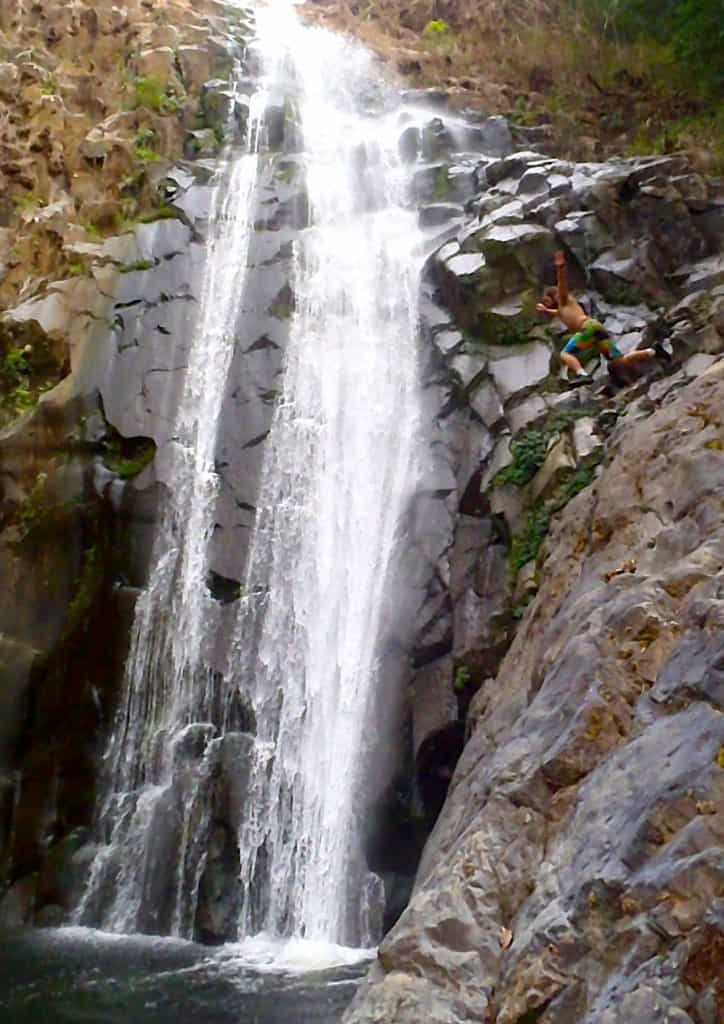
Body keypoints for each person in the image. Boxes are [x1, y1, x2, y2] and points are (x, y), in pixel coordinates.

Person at [536, 252, 670, 384]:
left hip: (587, 328)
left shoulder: (564, 300)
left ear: (554, 296)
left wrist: (560, 268)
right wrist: (545, 309)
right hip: (596, 330)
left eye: (547, 300)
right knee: (619, 361)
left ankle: (582, 374)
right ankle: (653, 351)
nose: (546, 303)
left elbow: (562, 283)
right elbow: (555, 312)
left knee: (565, 354)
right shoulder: (561, 310)